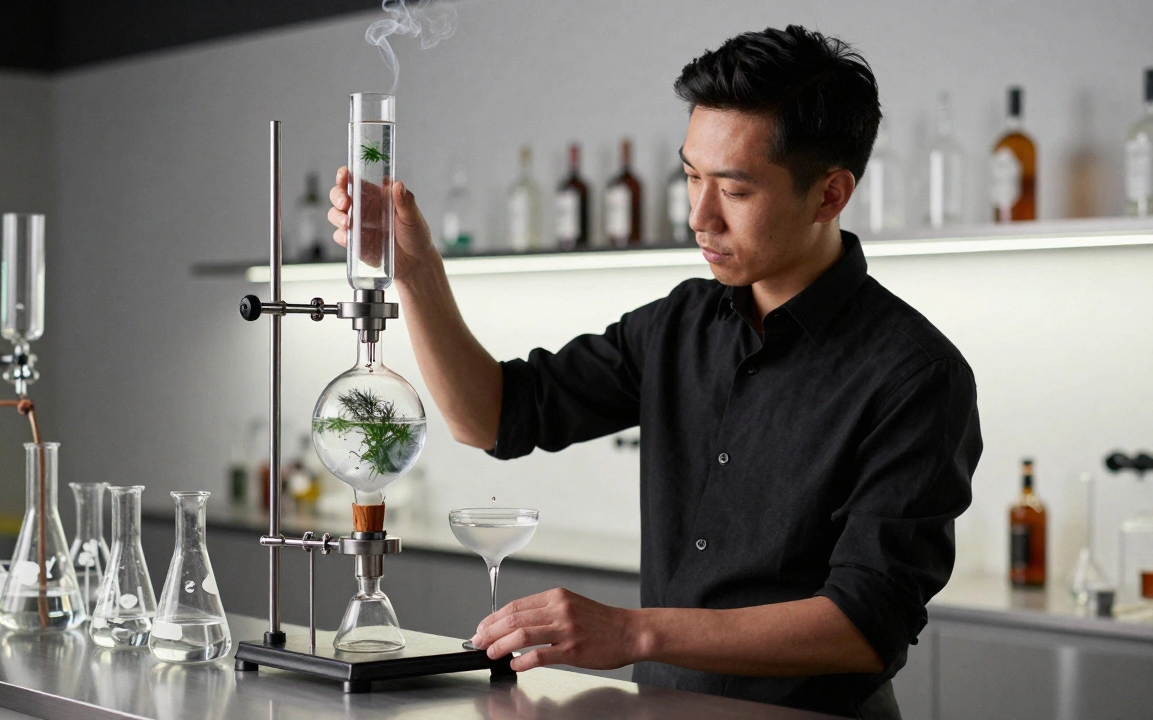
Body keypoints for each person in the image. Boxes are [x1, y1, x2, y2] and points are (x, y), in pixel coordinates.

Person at [327, 25, 981, 720]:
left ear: (829, 195)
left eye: (733, 190)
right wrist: (417, 270)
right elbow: (490, 416)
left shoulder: (916, 373)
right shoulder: (679, 324)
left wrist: (632, 630)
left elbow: (863, 623)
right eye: (691, 176)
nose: (698, 216)